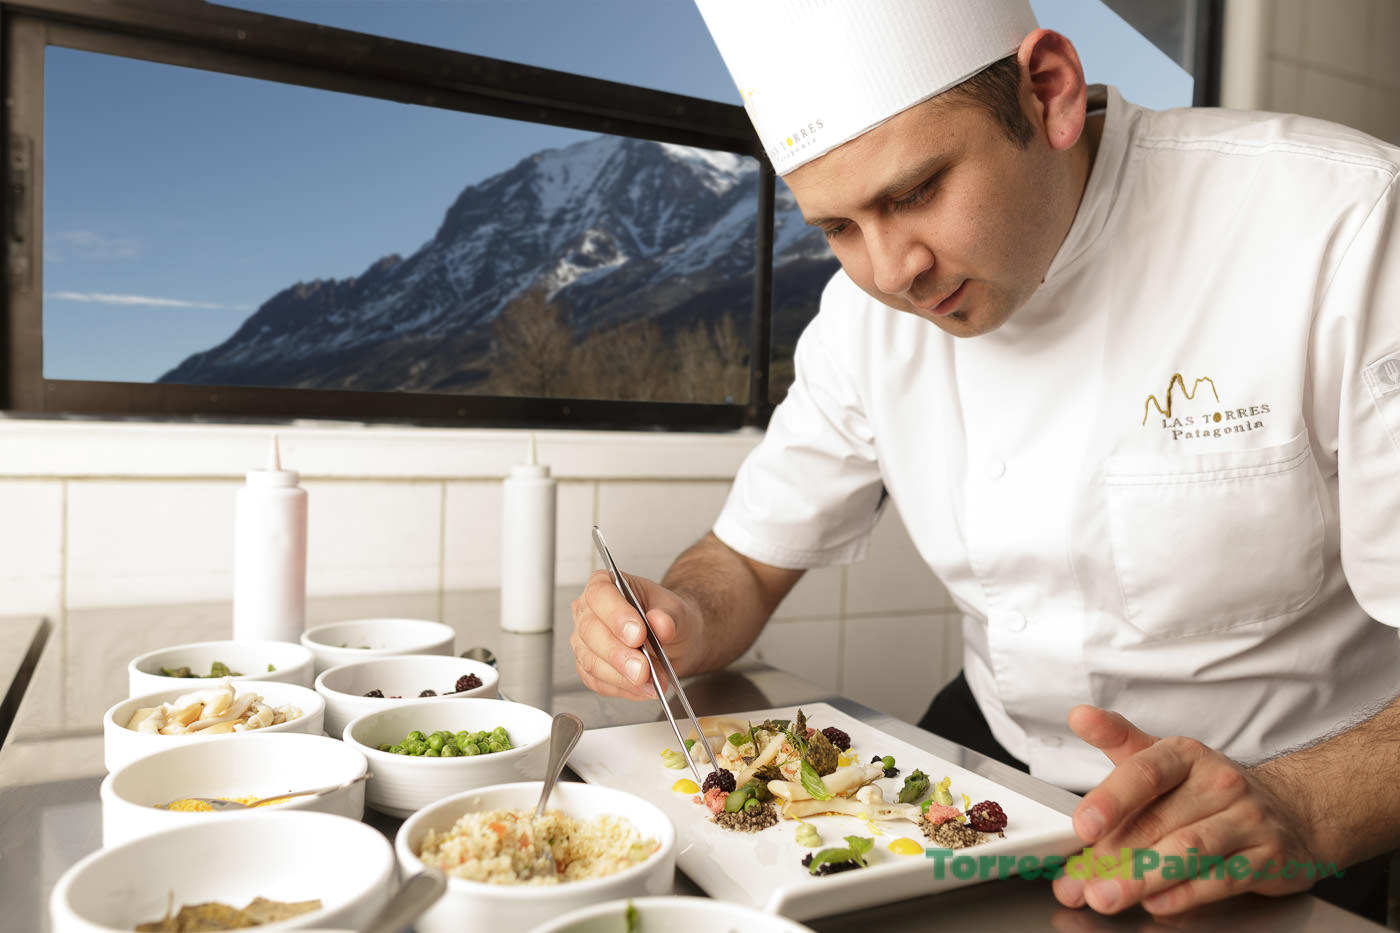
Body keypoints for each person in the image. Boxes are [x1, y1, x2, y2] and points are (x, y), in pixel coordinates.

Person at [570, 0, 1400, 920]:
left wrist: (1301, 803)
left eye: (915, 191)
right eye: (838, 228)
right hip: (986, 780)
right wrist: (678, 615)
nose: (891, 272)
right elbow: (744, 561)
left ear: (1050, 92)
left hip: (1283, 812)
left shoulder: (1342, 226)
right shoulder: (864, 320)